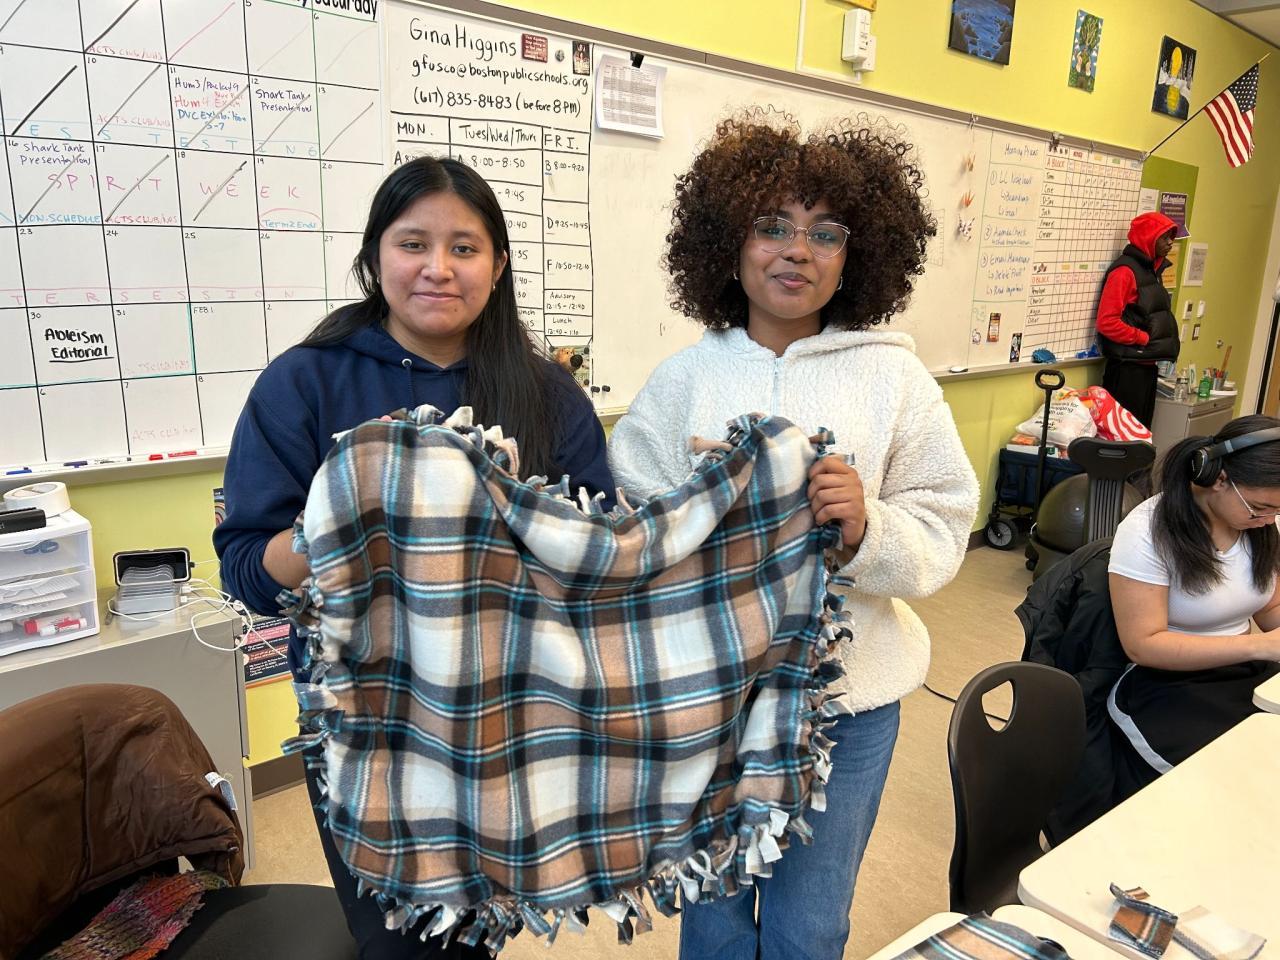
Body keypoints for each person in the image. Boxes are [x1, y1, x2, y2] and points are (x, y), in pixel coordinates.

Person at [214, 156, 615, 959]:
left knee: (476, 928)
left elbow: (600, 562)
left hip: (508, 722)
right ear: (375, 256)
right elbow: (248, 571)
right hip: (362, 725)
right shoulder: (302, 384)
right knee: (400, 939)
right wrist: (336, 522)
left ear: (498, 266)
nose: (438, 268)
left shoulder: (548, 395)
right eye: (412, 244)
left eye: (464, 248)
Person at [607, 113, 980, 960]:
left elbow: (943, 519)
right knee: (713, 914)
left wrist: (866, 527)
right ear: (727, 243)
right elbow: (631, 528)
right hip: (709, 702)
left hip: (849, 705)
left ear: (856, 255)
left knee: (810, 922)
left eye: (826, 232)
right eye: (771, 226)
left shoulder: (895, 378)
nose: (796, 251)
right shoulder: (684, 379)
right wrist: (701, 515)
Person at [1108, 414, 1280, 797]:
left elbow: (1269, 606)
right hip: (1165, 684)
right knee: (1229, 782)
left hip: (1242, 670)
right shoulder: (1148, 531)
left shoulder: (1258, 527)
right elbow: (1143, 645)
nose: (1268, 520)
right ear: (1218, 479)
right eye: (1260, 507)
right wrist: (1260, 645)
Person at [1095, 210, 1187, 427]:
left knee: (1141, 436)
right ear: (1148, 237)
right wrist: (1143, 339)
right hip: (1127, 371)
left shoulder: (1151, 270)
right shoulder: (1125, 271)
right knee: (1124, 436)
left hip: (1147, 368)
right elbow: (1107, 322)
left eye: (1171, 238)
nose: (1170, 243)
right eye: (1164, 237)